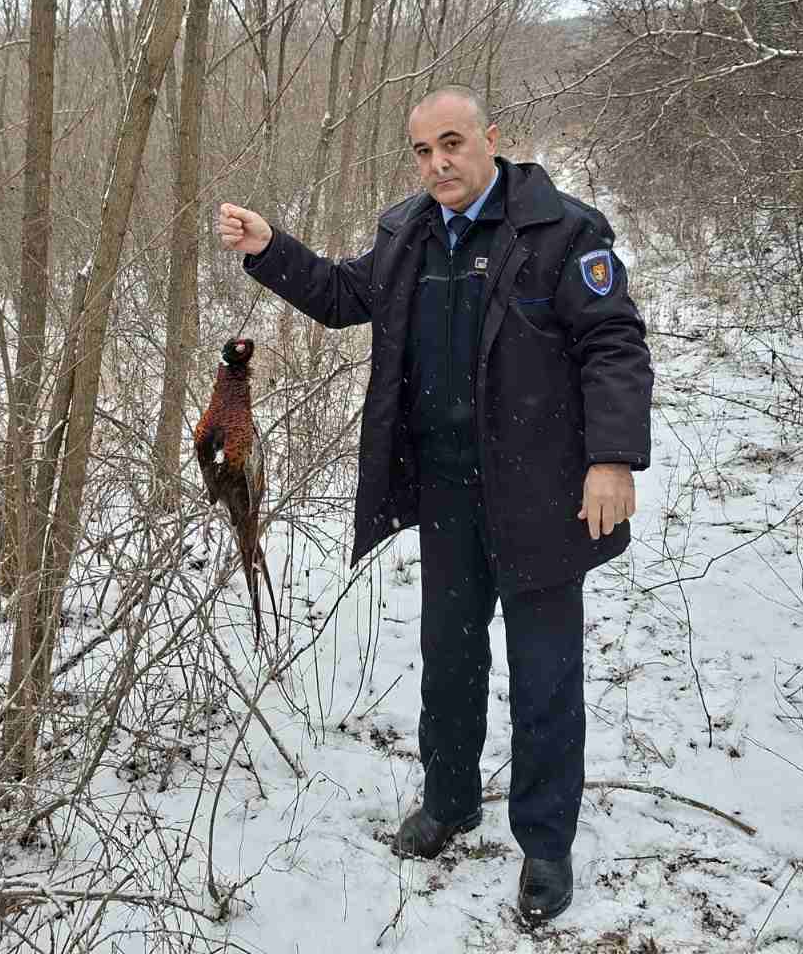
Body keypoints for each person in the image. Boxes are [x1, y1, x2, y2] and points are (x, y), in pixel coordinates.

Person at [217, 85, 652, 923]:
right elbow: (342, 296)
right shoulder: (407, 232)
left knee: (545, 676)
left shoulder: (562, 231)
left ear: (491, 138)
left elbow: (613, 344)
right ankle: (450, 801)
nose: (438, 163)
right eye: (422, 151)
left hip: (542, 495)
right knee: (449, 659)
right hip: (447, 490)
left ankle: (546, 844)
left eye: (452, 143)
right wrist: (271, 248)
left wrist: (612, 458)